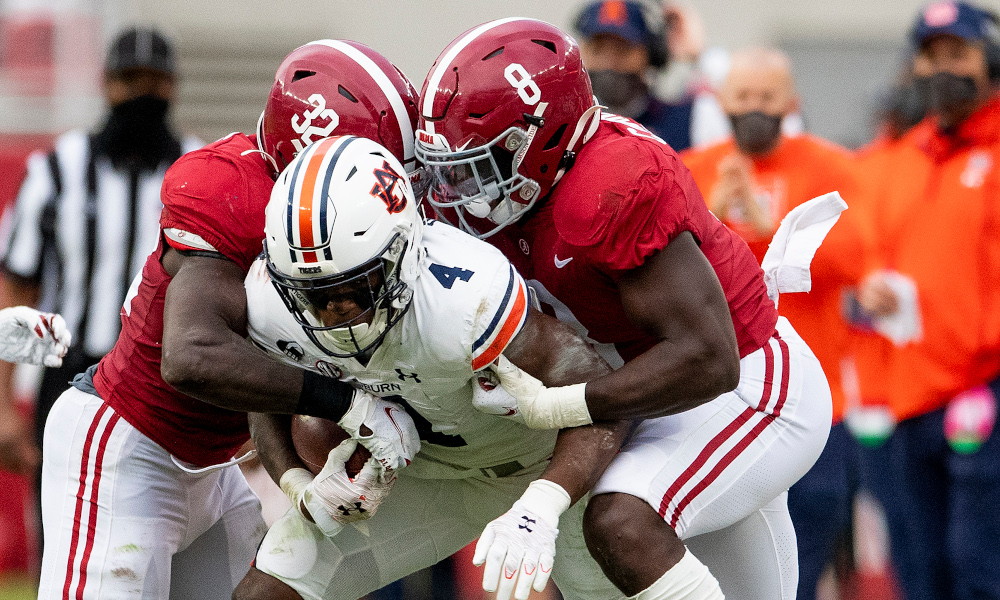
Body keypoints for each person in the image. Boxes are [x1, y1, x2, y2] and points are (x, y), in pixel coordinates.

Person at [415, 17, 833, 600]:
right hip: (653, 400)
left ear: (542, 140)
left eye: (480, 166)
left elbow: (709, 358)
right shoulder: (517, 193)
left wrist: (568, 401)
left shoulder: (608, 185)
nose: (459, 191)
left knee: (620, 521)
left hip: (748, 383)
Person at [36, 40, 425, 599]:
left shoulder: (340, 225)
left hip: (214, 467)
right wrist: (348, 404)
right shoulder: (232, 194)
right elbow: (193, 355)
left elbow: (268, 358)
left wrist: (291, 476)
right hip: (128, 445)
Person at [232, 135, 632, 600]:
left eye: (355, 287)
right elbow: (265, 393)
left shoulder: (463, 296)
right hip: (421, 479)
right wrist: (295, 482)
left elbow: (604, 398)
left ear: (403, 250)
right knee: (269, 587)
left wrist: (543, 503)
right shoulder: (268, 301)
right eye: (312, 294)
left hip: (539, 468)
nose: (335, 313)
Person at [679, 46, 868, 600]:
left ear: (791, 103)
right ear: (721, 101)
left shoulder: (831, 168)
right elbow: (664, 272)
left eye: (767, 97)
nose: (754, 108)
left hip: (816, 400)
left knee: (804, 557)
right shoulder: (691, 168)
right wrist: (709, 219)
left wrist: (765, 230)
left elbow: (852, 261)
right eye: (742, 97)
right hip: (717, 401)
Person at [0, 26, 200, 481]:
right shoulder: (56, 169)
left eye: (154, 80)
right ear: (107, 83)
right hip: (72, 374)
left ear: (172, 86)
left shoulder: (198, 170)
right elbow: (16, 288)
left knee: (165, 530)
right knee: (62, 534)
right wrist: (3, 406)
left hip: (168, 382)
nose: (143, 92)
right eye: (131, 79)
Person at [852, 3, 1000, 599]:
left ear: (988, 60)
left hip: (987, 386)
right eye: (930, 56)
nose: (943, 69)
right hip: (909, 394)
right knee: (920, 568)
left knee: (979, 564)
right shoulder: (901, 159)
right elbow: (866, 254)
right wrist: (870, 283)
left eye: (957, 55)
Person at [573, 0, 713, 152]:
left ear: (652, 55)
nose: (608, 63)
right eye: (597, 49)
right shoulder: (564, 127)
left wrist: (699, 56)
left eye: (622, 49)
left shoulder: (690, 120)